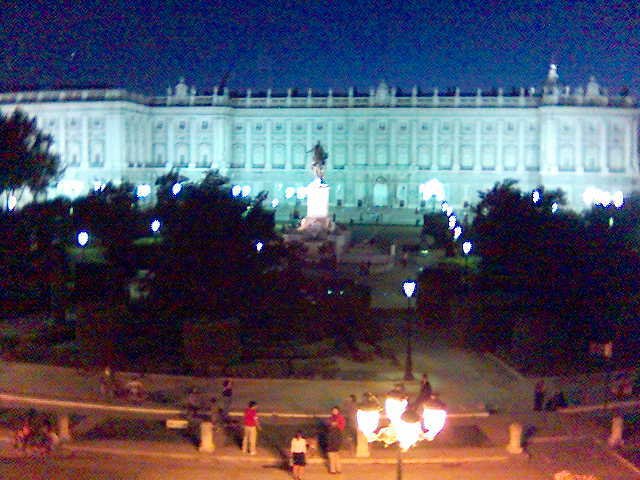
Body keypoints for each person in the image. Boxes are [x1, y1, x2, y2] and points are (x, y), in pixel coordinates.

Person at [327, 406, 344, 474]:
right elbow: (327, 425)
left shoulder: (340, 418)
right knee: (331, 455)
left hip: (336, 439)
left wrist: (336, 425)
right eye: (333, 410)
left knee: (336, 455)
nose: (334, 412)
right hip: (331, 439)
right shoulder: (330, 418)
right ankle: (333, 469)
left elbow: (341, 426)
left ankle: (338, 469)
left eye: (335, 410)